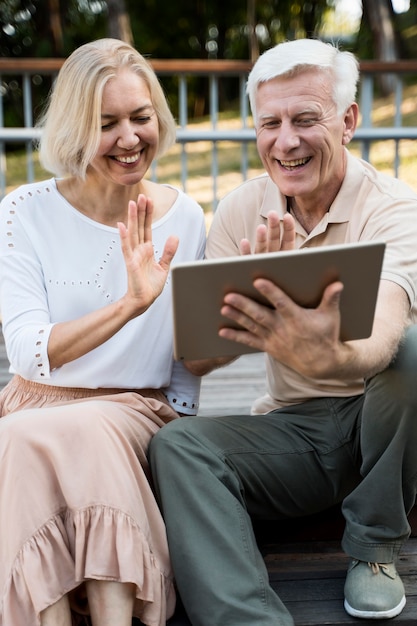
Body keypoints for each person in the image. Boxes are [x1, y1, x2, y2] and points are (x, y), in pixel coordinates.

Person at [149, 38, 417, 625]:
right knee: (178, 445)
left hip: (388, 425)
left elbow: (387, 337)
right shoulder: (243, 210)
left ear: (347, 121)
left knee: (415, 351)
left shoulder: (393, 208)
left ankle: (374, 549)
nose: (286, 141)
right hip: (299, 432)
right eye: (270, 123)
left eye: (305, 119)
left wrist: (321, 349)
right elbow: (195, 360)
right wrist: (253, 316)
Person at [0, 38, 206, 626]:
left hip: (133, 411)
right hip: (36, 404)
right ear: (73, 129)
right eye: (106, 123)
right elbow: (29, 353)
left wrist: (179, 444)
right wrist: (129, 305)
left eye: (141, 118)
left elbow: (185, 368)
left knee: (80, 428)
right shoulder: (24, 210)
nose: (130, 137)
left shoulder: (184, 217)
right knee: (19, 437)